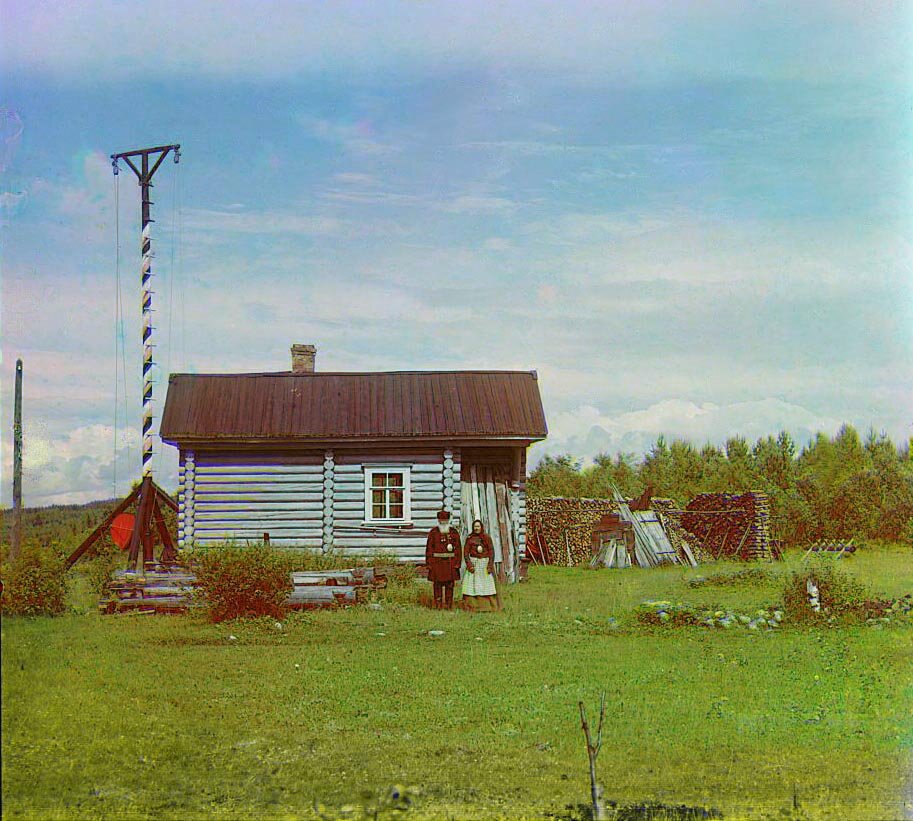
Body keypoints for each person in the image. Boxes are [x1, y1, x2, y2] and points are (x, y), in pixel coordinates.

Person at [425, 509, 462, 610]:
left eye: (445, 520)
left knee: (450, 585)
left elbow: (458, 549)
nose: (443, 522)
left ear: (448, 520)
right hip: (437, 564)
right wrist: (429, 564)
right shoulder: (433, 532)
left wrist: (457, 563)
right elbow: (429, 549)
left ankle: (449, 605)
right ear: (438, 520)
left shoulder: (454, 533)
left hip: (450, 563)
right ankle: (438, 606)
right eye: (441, 520)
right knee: (437, 585)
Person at [461, 519, 501, 611]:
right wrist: (469, 565)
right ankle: (472, 606)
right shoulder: (470, 538)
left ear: (481, 527)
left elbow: (491, 551)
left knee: (486, 585)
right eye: (475, 526)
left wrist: (490, 565)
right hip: (474, 564)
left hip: (484, 564)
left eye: (478, 526)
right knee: (472, 585)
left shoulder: (487, 538)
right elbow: (466, 553)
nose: (476, 528)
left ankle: (488, 606)